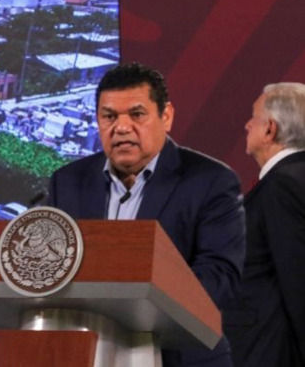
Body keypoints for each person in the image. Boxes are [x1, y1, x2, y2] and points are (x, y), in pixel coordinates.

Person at [46, 63, 246, 367]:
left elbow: (220, 277)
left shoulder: (211, 181)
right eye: (109, 116)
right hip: (87, 353)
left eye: (136, 114)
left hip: (178, 356)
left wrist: (130, 299)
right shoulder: (68, 181)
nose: (122, 127)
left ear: (166, 116)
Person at [224, 83, 305, 367]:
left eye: (254, 117)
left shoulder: (283, 184)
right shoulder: (293, 177)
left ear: (270, 129)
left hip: (271, 351)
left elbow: (297, 276)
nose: (247, 125)